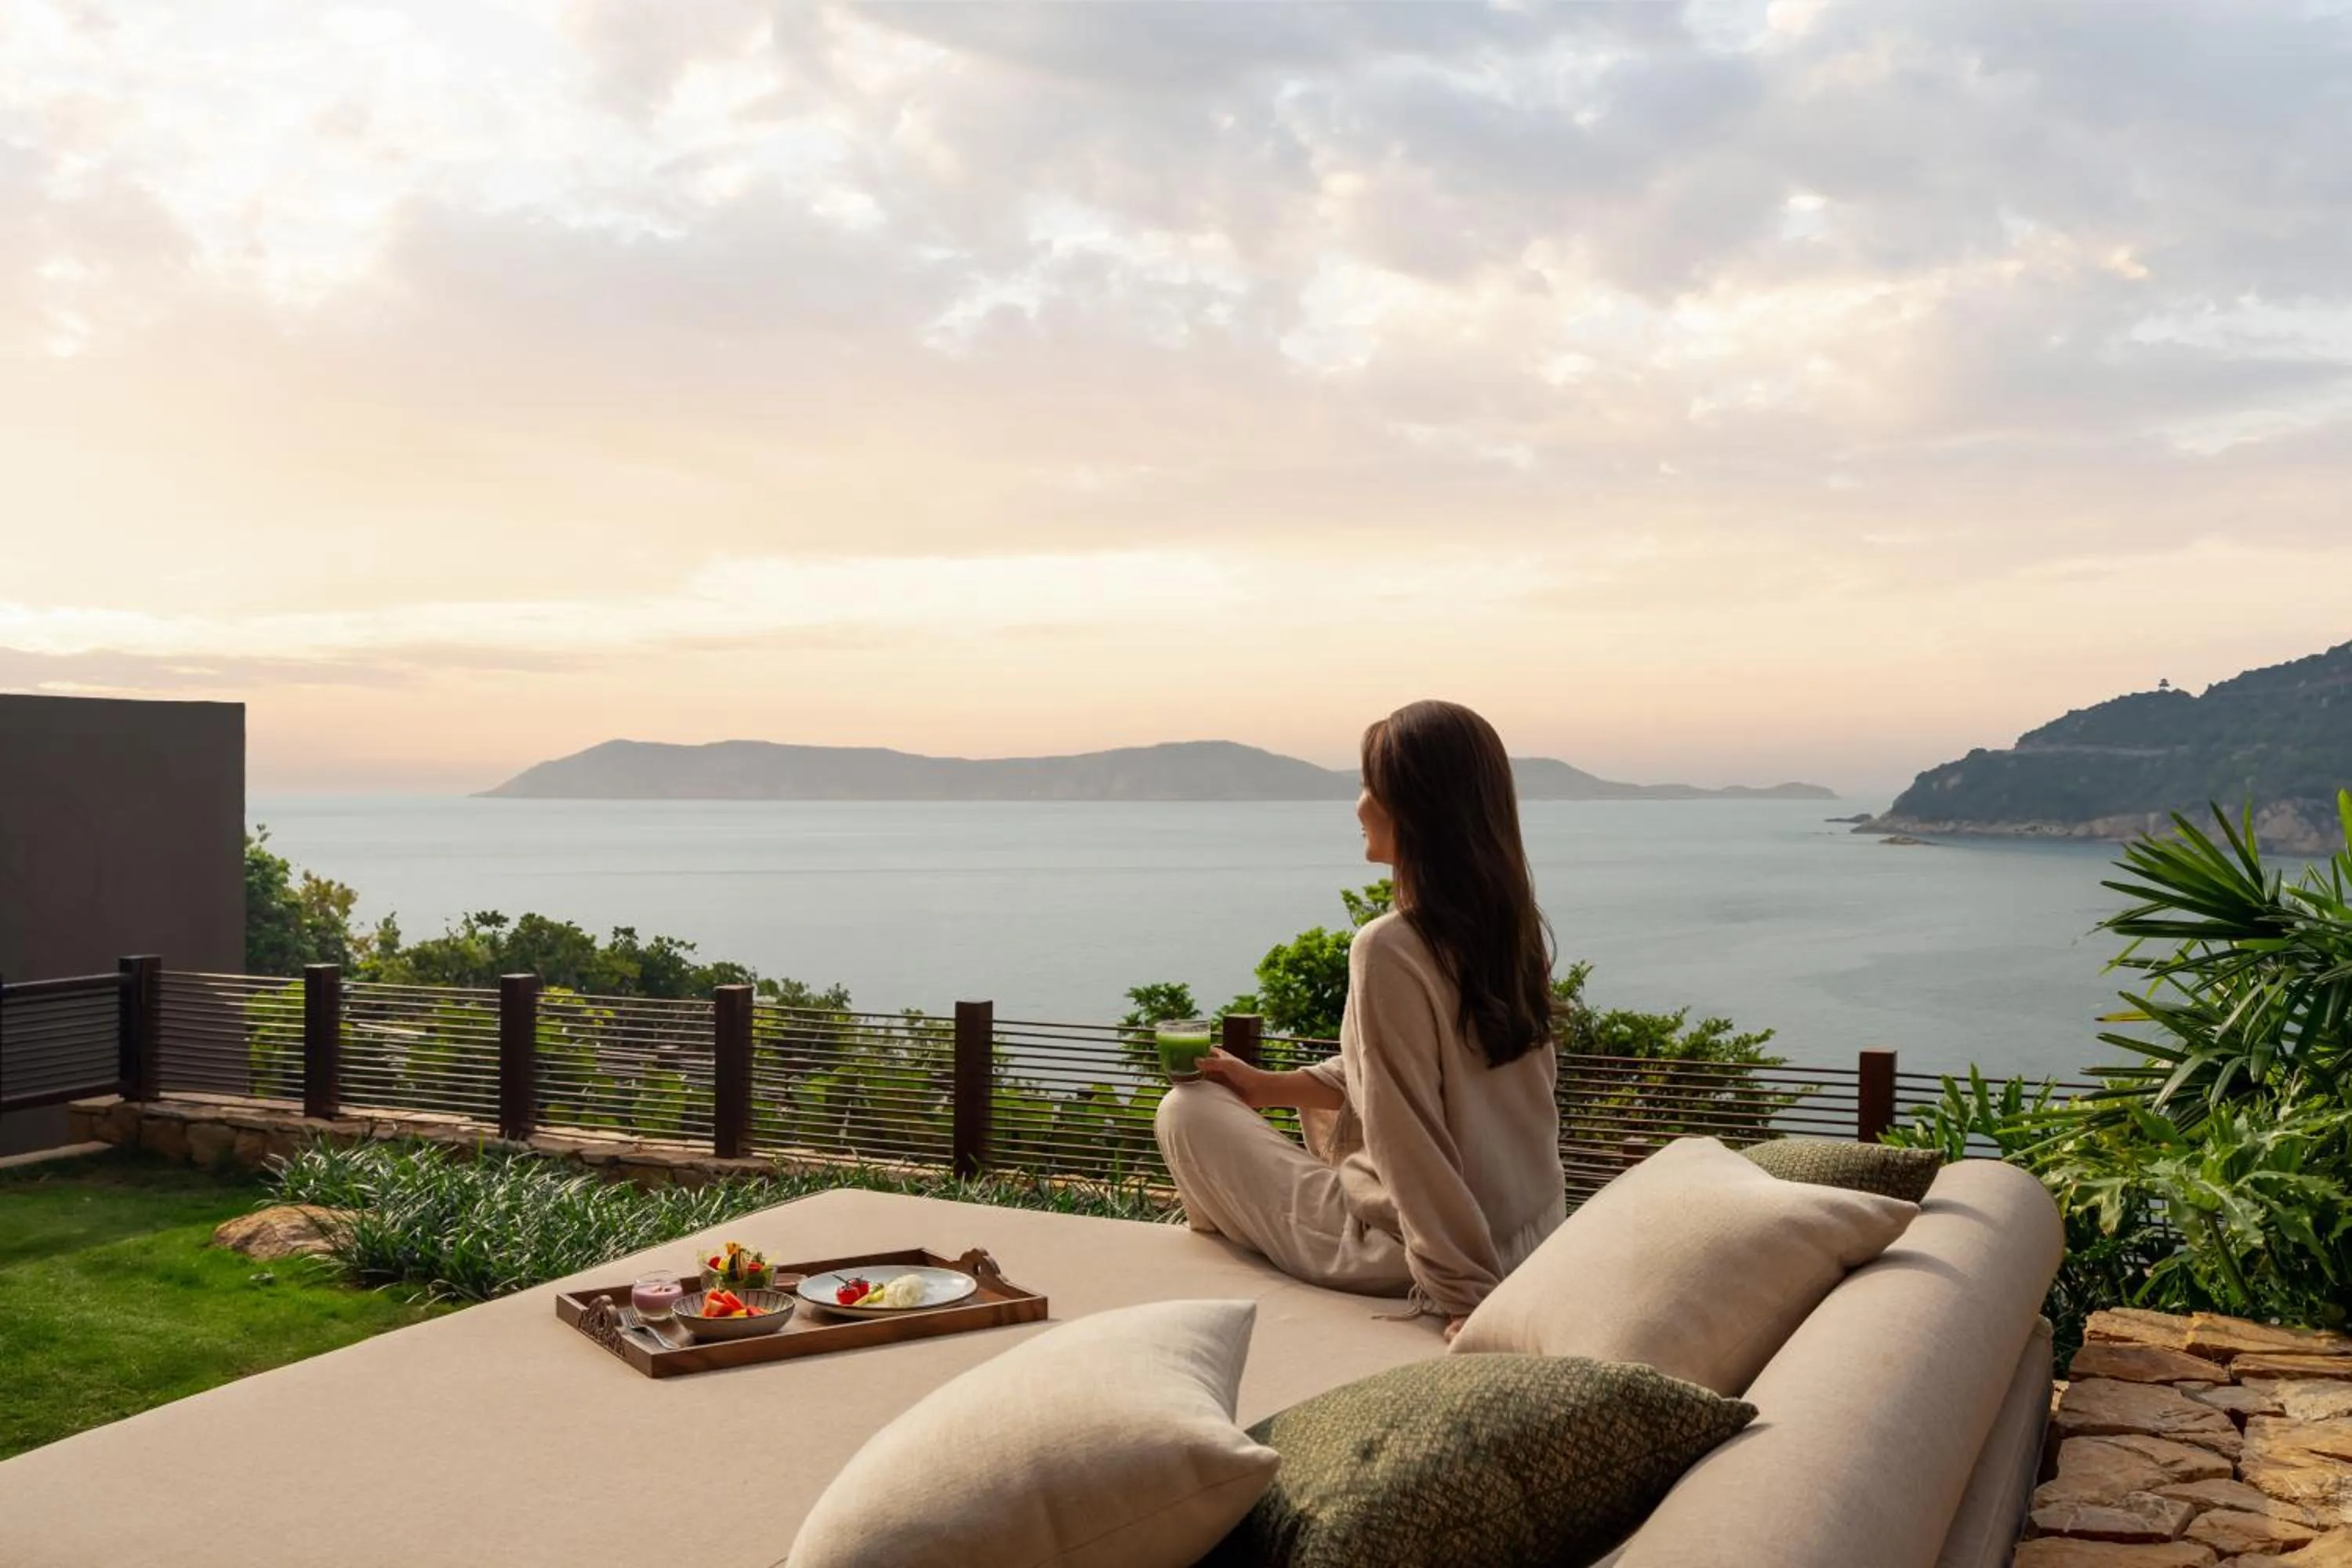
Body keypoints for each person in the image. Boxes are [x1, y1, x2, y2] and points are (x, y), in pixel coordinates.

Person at [1154, 699, 1566, 1337]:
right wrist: (1267, 1087)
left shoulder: (1389, 947)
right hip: (1529, 1238)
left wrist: (1468, 1298)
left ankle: (1226, 1253)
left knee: (1186, 1111)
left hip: (1410, 1253)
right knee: (1274, 1111)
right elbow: (1420, 1078)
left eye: (1370, 785)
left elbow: (1407, 1134)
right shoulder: (1514, 935)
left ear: (1414, 807)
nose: (1359, 804)